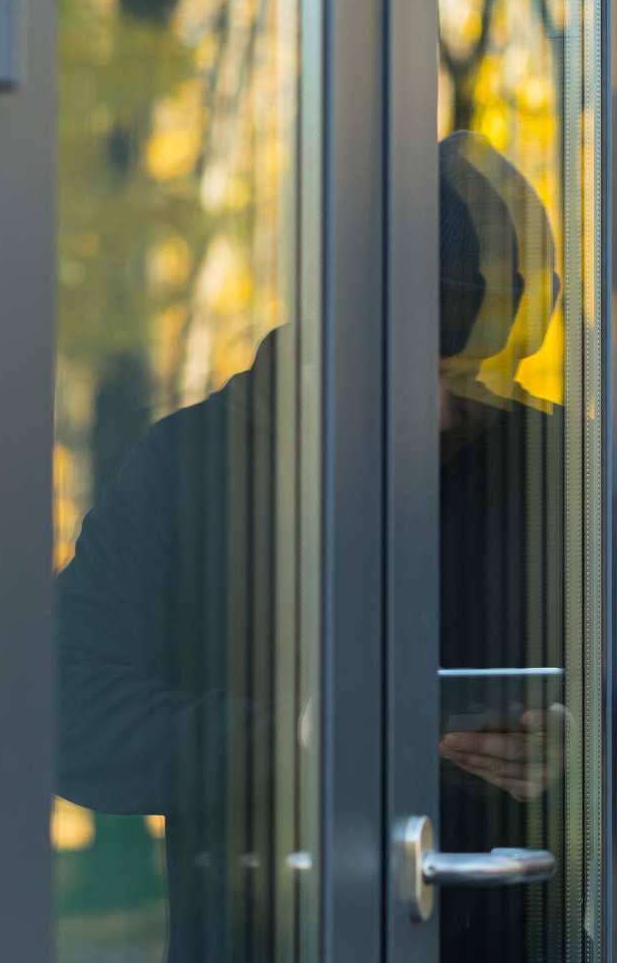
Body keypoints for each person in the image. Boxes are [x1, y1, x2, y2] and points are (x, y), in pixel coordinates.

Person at [55, 131, 567, 961]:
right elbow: (65, 715)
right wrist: (293, 739)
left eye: (471, 378)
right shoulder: (189, 469)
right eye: (414, 374)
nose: (441, 413)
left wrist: (566, 763)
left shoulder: (562, 470)